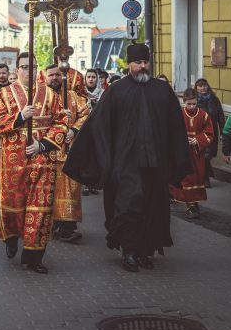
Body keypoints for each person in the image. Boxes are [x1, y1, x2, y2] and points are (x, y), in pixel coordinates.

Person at [63, 44, 191, 273]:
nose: (142, 66)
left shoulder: (162, 90)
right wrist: (99, 160)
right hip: (126, 164)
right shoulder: (117, 90)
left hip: (155, 163)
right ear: (129, 64)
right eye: (137, 62)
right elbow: (99, 126)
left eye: (145, 62)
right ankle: (129, 251)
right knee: (128, 206)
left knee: (151, 207)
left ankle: (144, 251)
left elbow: (175, 127)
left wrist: (178, 159)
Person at [0, 55, 68, 273]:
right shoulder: (5, 93)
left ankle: (34, 256)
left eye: (33, 67)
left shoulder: (50, 94)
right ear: (17, 70)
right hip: (14, 160)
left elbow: (61, 122)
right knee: (14, 204)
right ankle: (12, 238)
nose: (29, 71)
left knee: (41, 207)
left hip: (43, 159)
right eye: (24, 67)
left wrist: (43, 145)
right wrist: (19, 117)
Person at [44, 66, 90, 243]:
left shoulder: (72, 96)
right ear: (45, 77)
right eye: (51, 75)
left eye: (58, 75)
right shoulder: (39, 96)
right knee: (48, 190)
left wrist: (75, 129)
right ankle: (49, 226)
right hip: (47, 152)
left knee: (69, 190)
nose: (54, 78)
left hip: (68, 152)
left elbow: (85, 115)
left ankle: (67, 228)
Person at [171, 88, 214, 219]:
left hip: (196, 152)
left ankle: (194, 203)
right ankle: (190, 205)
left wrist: (196, 140)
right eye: (188, 104)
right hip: (183, 152)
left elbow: (209, 132)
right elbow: (172, 131)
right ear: (184, 102)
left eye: (194, 103)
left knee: (197, 177)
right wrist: (183, 140)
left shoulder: (203, 115)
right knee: (185, 178)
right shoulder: (178, 114)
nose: (191, 106)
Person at [194, 78, 225, 187]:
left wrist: (223, 131)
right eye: (200, 86)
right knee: (203, 154)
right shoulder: (195, 101)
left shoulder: (214, 100)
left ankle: (206, 173)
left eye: (204, 85)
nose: (202, 88)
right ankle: (205, 178)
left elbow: (221, 116)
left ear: (208, 87)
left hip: (212, 132)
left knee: (209, 154)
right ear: (196, 88)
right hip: (199, 132)